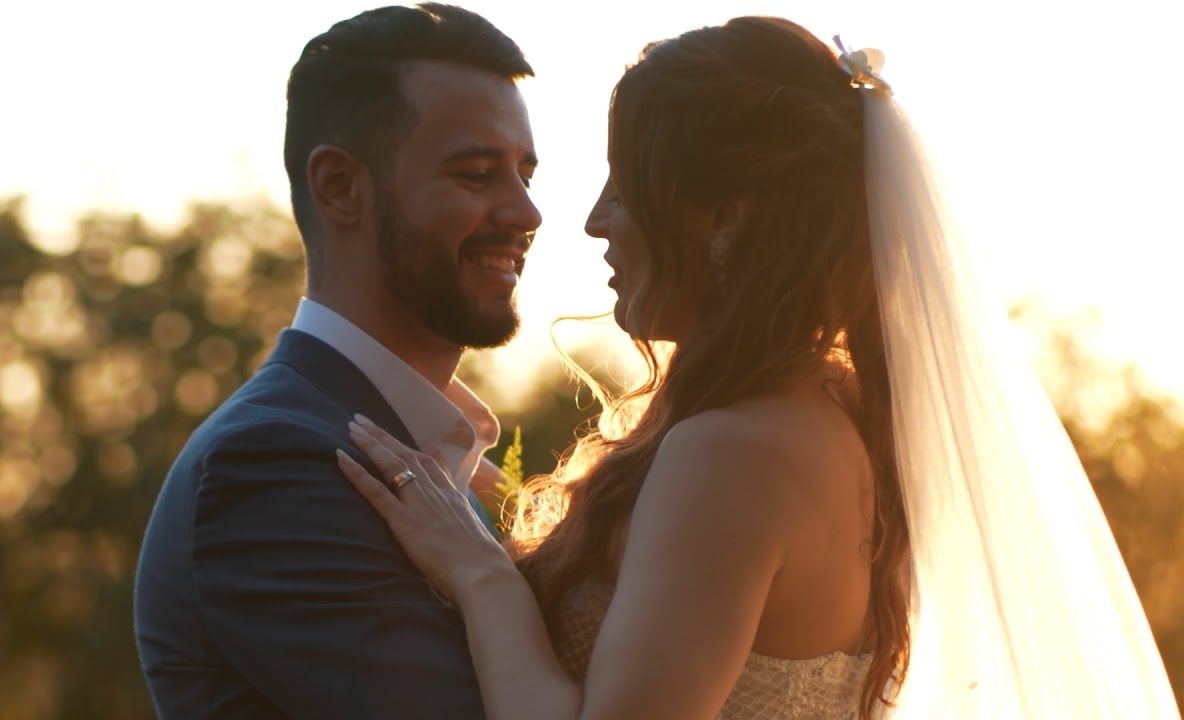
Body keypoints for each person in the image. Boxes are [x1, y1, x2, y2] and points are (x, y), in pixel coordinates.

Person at [336, 16, 1181, 720]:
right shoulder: (826, 412)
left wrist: (483, 578)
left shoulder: (735, 452)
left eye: (625, 189)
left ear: (725, 217)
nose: (593, 223)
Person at [132, 4, 540, 717]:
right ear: (341, 187)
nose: (526, 211)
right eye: (478, 174)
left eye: (525, 174)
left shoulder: (446, 464)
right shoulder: (277, 464)